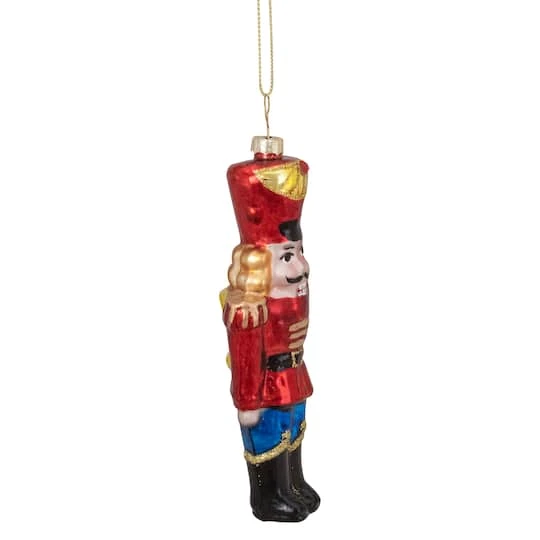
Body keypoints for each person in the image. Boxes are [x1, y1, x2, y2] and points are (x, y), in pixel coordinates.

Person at [222, 143, 320, 522]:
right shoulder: (250, 309)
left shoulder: (292, 292)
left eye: (298, 251)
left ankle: (292, 483)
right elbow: (246, 353)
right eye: (287, 256)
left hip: (293, 373)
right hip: (266, 384)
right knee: (269, 437)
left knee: (293, 430)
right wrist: (248, 401)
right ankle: (269, 495)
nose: (301, 266)